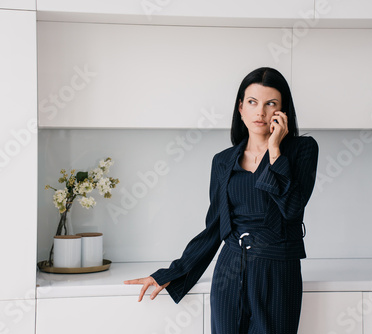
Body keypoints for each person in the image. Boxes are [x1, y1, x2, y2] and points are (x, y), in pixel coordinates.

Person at [125, 67, 319, 334]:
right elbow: (215, 227)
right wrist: (172, 273)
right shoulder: (223, 161)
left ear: (283, 111)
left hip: (277, 270)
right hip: (229, 269)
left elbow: (292, 208)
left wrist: (274, 150)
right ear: (240, 108)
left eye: (270, 104)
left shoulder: (302, 150)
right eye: (252, 102)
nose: (260, 112)